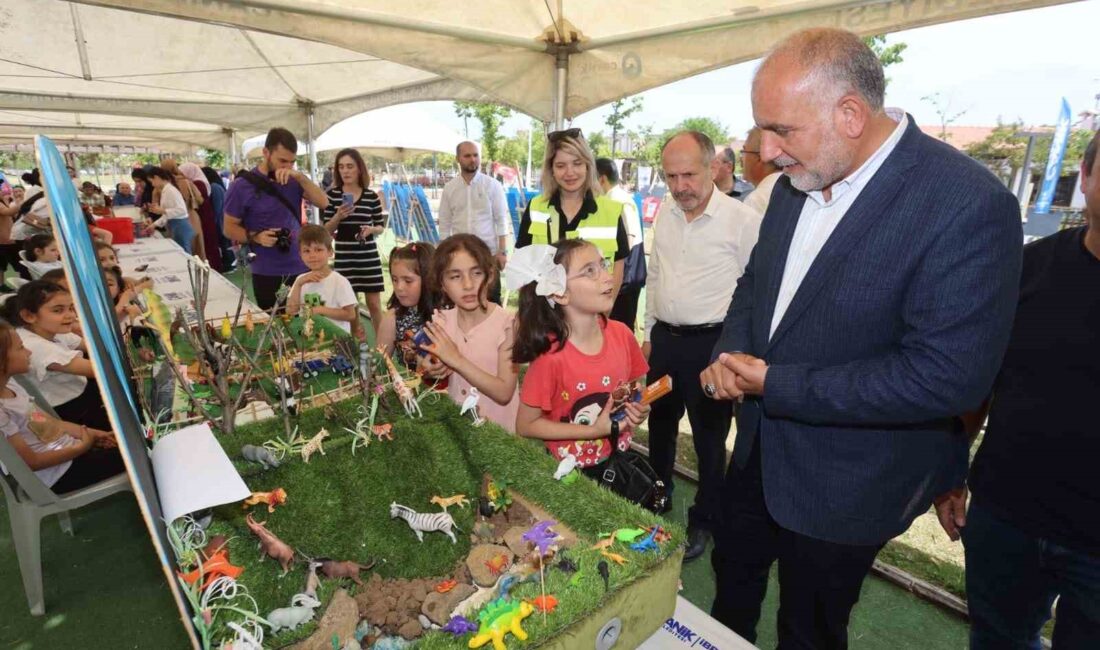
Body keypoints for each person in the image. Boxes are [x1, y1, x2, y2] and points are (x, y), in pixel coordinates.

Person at [699, 28, 1022, 648]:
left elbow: (947, 376)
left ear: (849, 114)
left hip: (845, 486)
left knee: (810, 625)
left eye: (780, 131)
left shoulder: (965, 204)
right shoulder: (799, 179)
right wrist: (729, 354)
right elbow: (755, 284)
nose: (765, 152)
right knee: (730, 585)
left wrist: (777, 382)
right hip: (758, 456)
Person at [935, 130, 1100, 650]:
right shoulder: (1029, 267)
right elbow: (981, 378)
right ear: (1088, 178)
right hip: (1007, 516)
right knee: (998, 640)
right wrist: (951, 472)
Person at [644, 131, 763, 561]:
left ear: (712, 167)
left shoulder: (742, 220)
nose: (680, 187)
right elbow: (655, 274)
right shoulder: (666, 214)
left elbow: (756, 293)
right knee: (658, 429)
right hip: (664, 343)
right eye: (671, 176)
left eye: (689, 175)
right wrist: (648, 331)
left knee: (710, 442)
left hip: (712, 347)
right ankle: (656, 501)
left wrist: (736, 353)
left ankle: (703, 520)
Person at [510, 241, 651, 471]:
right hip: (570, 473)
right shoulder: (550, 357)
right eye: (589, 271)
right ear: (561, 293)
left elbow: (633, 392)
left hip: (619, 460)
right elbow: (525, 425)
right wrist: (594, 431)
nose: (607, 277)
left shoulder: (623, 335)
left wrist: (639, 409)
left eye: (603, 265)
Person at [515, 129, 630, 320]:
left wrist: (602, 316)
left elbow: (617, 267)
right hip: (545, 319)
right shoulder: (536, 207)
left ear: (588, 165)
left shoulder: (611, 210)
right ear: (551, 169)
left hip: (591, 320)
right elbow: (522, 265)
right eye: (561, 165)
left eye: (577, 163)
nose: (570, 173)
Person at [0, 323, 123, 495]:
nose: (28, 352)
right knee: (140, 456)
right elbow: (30, 462)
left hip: (68, 453)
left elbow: (50, 422)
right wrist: (80, 448)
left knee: (129, 444)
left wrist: (93, 434)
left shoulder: (11, 384)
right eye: (20, 348)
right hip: (59, 475)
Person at [419, 234, 519, 432]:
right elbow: (428, 368)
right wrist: (430, 368)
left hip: (502, 436)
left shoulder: (508, 325)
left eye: (476, 273)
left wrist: (456, 360)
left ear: (490, 275)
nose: (468, 285)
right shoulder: (441, 322)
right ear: (442, 284)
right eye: (455, 276)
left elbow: (504, 392)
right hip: (461, 432)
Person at [223, 127, 329, 311]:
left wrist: (300, 177)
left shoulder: (294, 180)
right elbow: (228, 228)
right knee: (275, 328)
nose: (287, 167)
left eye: (292, 162)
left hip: (301, 265)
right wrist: (255, 237)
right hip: (266, 271)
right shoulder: (241, 186)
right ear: (266, 153)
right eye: (282, 161)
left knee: (310, 323)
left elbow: (323, 202)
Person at [5, 281, 113, 432]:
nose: (71, 315)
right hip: (70, 410)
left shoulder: (51, 330)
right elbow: (98, 370)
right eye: (58, 310)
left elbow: (95, 346)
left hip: (81, 392)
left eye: (71, 308)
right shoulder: (35, 346)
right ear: (29, 316)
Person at [320, 148, 386, 334]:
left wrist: (371, 229)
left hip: (368, 257)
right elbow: (326, 231)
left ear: (359, 169)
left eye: (350, 166)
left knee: (374, 305)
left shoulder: (371, 196)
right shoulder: (332, 196)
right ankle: (356, 346)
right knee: (351, 308)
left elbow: (381, 226)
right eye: (341, 167)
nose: (345, 171)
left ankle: (383, 348)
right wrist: (338, 216)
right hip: (345, 257)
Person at [437, 142, 510, 304]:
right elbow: (445, 223)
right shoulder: (450, 188)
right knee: (459, 301)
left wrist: (502, 252)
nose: (473, 160)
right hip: (458, 257)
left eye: (476, 155)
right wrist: (443, 254)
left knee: (491, 301)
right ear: (458, 158)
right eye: (467, 156)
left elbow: (501, 220)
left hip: (488, 255)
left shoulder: (493, 186)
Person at [595, 158, 646, 331]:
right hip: (621, 275)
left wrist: (614, 268)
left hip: (626, 276)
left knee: (621, 328)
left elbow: (629, 239)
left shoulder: (618, 200)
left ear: (601, 179)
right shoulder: (611, 199)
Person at [285, 225, 358, 334]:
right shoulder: (300, 280)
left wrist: (319, 310)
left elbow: (351, 315)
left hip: (336, 340)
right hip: (309, 340)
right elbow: (290, 311)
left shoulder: (339, 281)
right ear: (300, 255)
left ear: (330, 252)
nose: (312, 255)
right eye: (307, 251)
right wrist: (299, 284)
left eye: (318, 250)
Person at [377, 242, 435, 368]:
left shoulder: (448, 315)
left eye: (408, 281)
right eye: (395, 279)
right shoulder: (392, 318)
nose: (399, 287)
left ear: (428, 279)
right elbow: (379, 366)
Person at [143, 167, 195, 254]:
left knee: (184, 254)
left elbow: (182, 210)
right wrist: (154, 225)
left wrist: (162, 211)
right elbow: (167, 214)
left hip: (181, 226)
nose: (152, 185)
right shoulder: (166, 190)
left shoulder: (170, 190)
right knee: (180, 252)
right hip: (175, 225)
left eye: (152, 181)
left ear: (156, 177)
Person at [181, 162, 222, 271]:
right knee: (208, 242)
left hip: (203, 215)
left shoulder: (197, 183)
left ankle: (213, 267)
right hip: (205, 214)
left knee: (207, 242)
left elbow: (199, 200)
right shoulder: (199, 182)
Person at [740, 127, 783, 216]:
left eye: (744, 151)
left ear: (761, 157)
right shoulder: (796, 190)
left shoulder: (757, 200)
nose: (740, 158)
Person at [202, 166, 233, 268]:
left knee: (225, 243)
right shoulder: (216, 185)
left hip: (221, 220)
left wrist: (214, 221)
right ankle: (229, 262)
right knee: (225, 243)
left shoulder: (214, 187)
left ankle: (229, 264)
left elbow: (217, 207)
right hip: (222, 218)